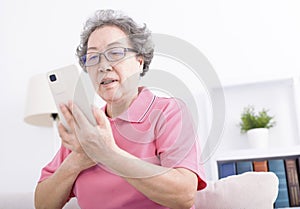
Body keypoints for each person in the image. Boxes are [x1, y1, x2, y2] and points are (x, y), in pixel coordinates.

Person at [34, 9, 206, 209]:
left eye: (115, 53)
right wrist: (77, 161)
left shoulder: (168, 111)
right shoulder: (86, 127)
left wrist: (107, 153)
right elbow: (42, 204)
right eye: (93, 58)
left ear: (139, 62)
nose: (103, 66)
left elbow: (183, 195)